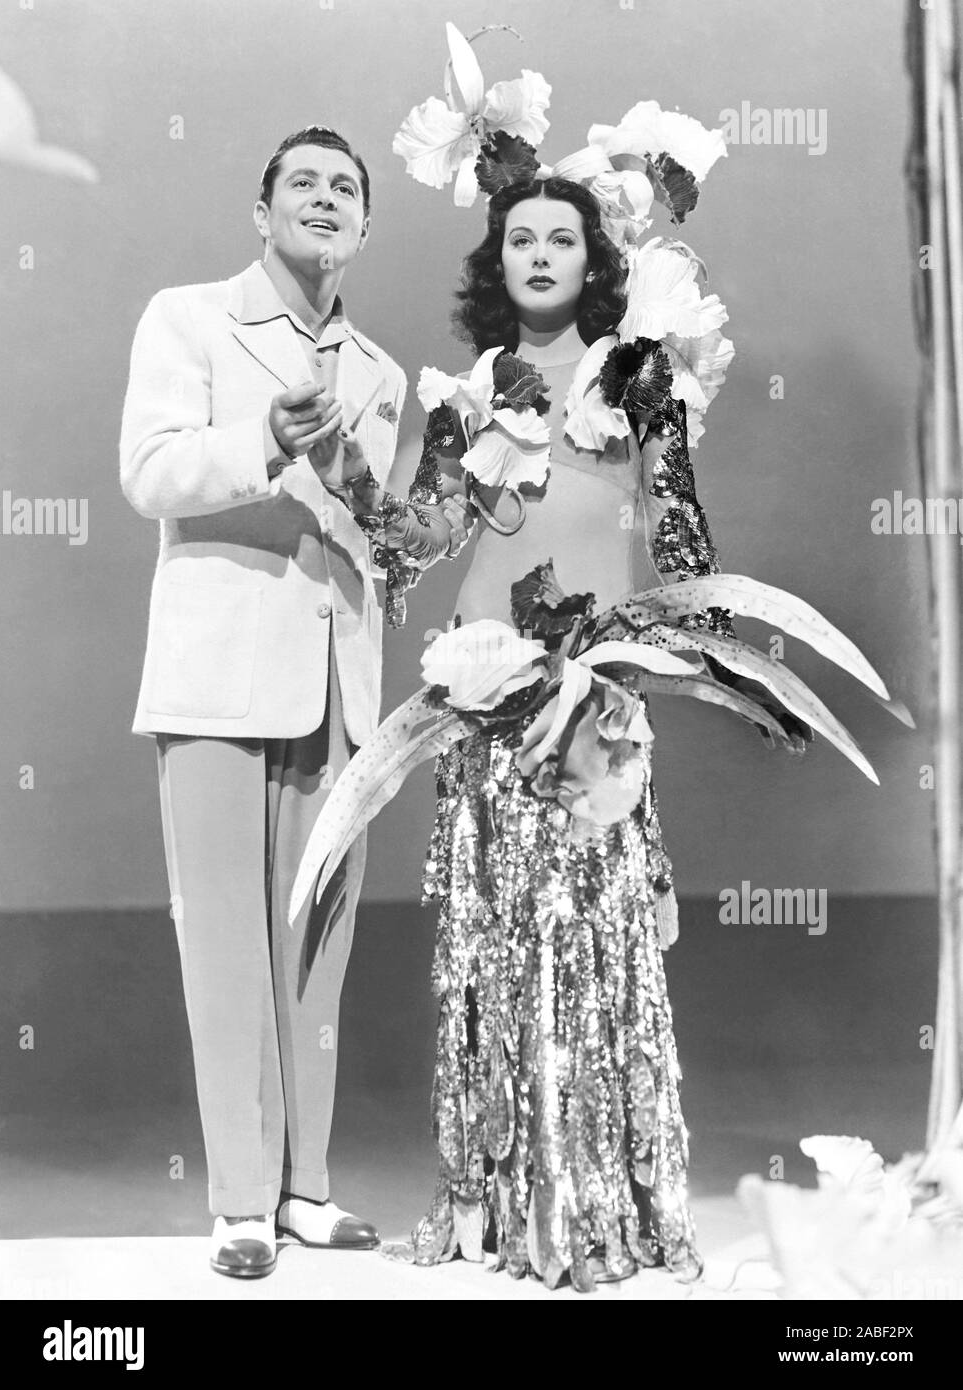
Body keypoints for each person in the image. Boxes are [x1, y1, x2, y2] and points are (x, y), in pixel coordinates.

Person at [309, 173, 807, 1291]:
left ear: (596, 260)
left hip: (596, 694)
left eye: (561, 238)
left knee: (595, 953)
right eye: (519, 238)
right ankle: (492, 1201)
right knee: (490, 952)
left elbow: (679, 540)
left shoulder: (641, 379)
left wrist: (735, 667)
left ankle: (591, 1200)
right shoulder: (469, 391)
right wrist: (341, 467)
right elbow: (420, 535)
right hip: (479, 692)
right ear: (498, 263)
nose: (539, 252)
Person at [119, 124, 469, 1280]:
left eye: (345, 189)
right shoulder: (189, 318)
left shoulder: (377, 371)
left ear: (365, 227)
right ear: (260, 212)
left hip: (338, 694)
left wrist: (460, 493)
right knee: (223, 942)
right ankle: (237, 1202)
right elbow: (149, 471)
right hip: (219, 677)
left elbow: (380, 540)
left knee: (312, 945)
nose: (324, 200)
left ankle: (304, 1186)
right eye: (302, 184)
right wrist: (258, 441)